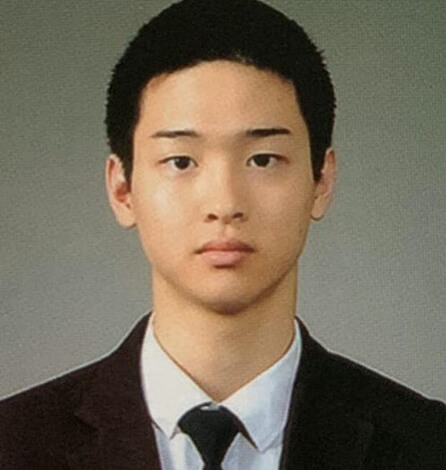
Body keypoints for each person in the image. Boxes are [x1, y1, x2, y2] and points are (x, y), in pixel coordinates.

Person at [1, 0, 444, 468]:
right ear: (122, 188)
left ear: (321, 181)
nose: (224, 203)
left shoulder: (427, 445)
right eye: (181, 161)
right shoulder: (13, 445)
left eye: (263, 159)